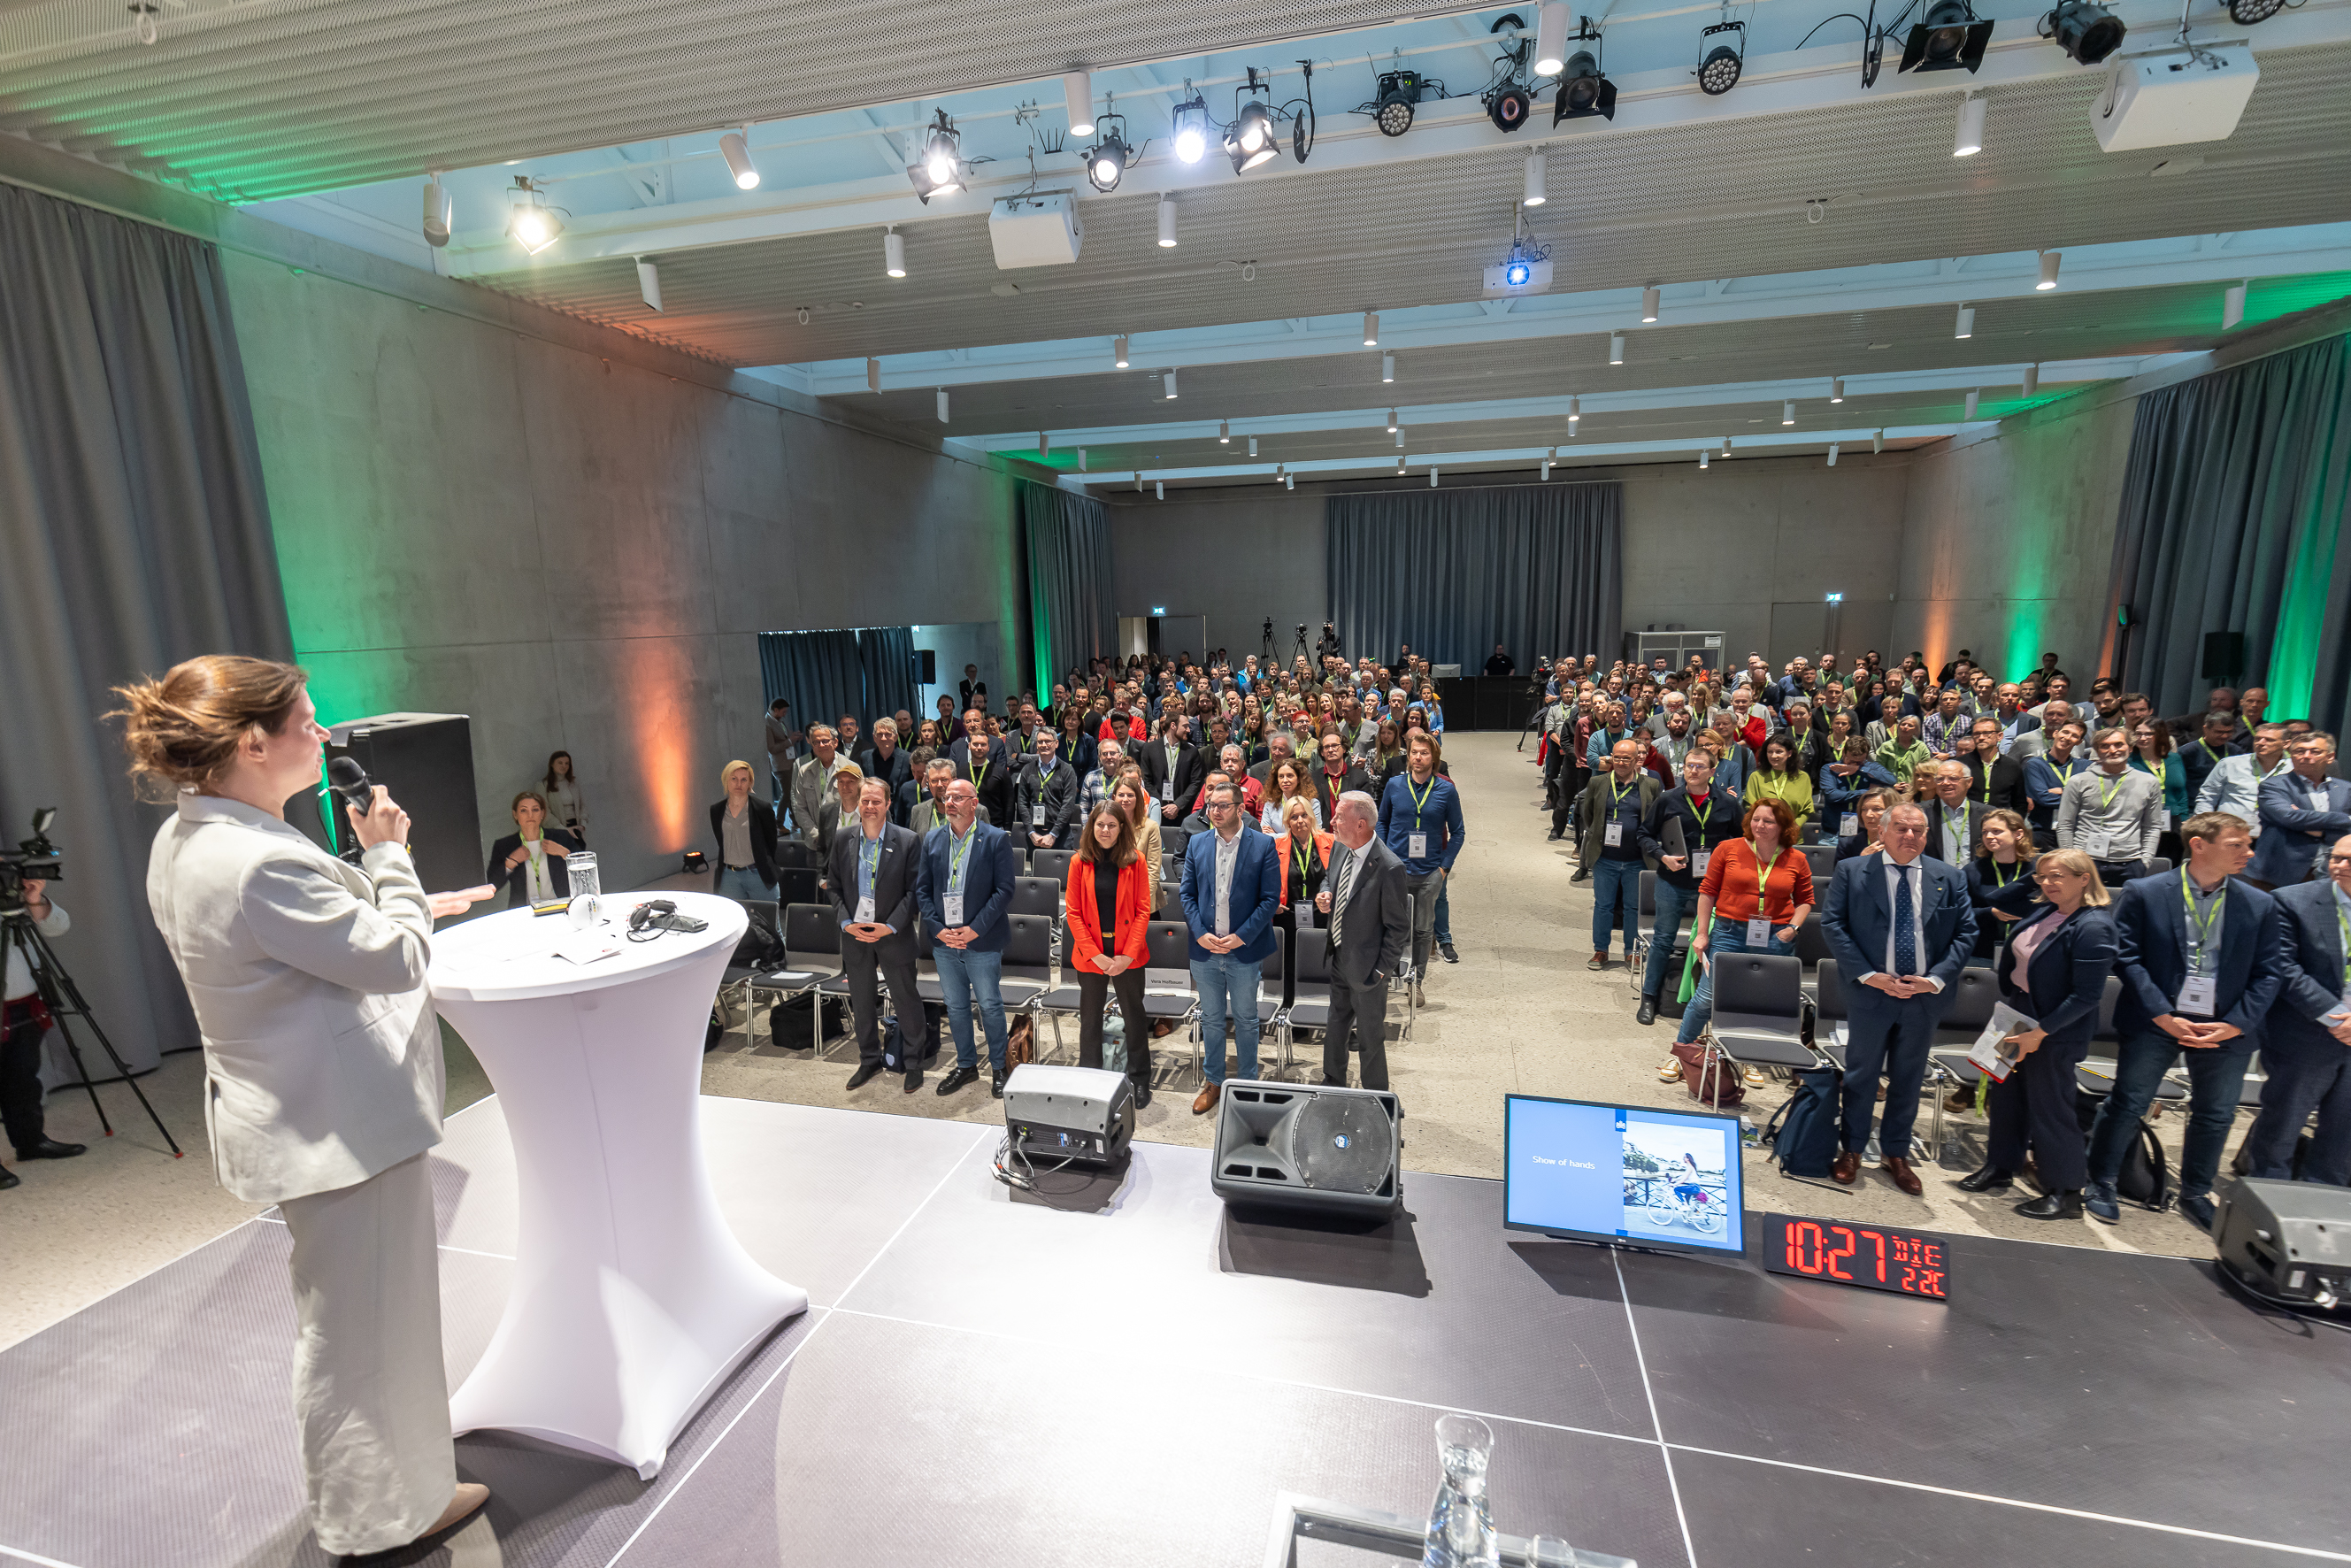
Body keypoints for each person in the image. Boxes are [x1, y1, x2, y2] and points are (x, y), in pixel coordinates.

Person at [118, 654, 494, 1556]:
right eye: (307, 721)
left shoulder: (195, 837)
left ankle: (406, 1489)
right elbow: (395, 958)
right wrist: (392, 856)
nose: (323, 735)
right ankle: (371, 1517)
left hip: (304, 1120)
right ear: (252, 741)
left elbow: (302, 937)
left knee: (369, 1322)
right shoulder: (252, 860)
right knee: (359, 1336)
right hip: (337, 1130)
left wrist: (398, 898)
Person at [2087, 811, 2284, 1229]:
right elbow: (2126, 956)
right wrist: (2162, 1013)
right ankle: (2100, 1179)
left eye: (2248, 844)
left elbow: (2271, 971)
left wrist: (2236, 1023)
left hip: (2225, 1026)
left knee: (2216, 1114)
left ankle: (2195, 1190)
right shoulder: (2146, 891)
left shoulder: (2261, 903)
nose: (2248, 853)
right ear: (2199, 845)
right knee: (2128, 1103)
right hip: (2155, 1019)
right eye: (2237, 844)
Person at [1820, 803, 1978, 1195]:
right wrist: (1871, 977)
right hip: (1871, 993)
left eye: (1919, 830)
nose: (1911, 836)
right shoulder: (1853, 871)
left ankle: (1896, 1153)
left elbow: (1966, 934)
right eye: (1902, 829)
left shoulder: (1949, 877)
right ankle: (1852, 1149)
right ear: (1883, 832)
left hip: (1924, 998)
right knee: (1861, 1075)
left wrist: (1935, 980)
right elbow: (1833, 925)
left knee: (1908, 1078)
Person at [1955, 849, 2118, 1218]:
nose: (2047, 883)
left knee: (2051, 1108)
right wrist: (2039, 876)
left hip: (2054, 1027)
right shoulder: (2046, 909)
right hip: (2017, 1011)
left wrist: (2040, 1032)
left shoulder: (2094, 926)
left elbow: (2087, 996)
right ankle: (2000, 1168)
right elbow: (1996, 899)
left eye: (2058, 876)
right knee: (2007, 1095)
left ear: (2084, 879)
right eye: (2043, 877)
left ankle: (2066, 1191)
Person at [1669, 798, 1815, 1071]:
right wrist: (1702, 933)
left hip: (1775, 937)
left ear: (1783, 825)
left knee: (1757, 1003)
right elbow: (1708, 892)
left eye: (1769, 821)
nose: (1760, 825)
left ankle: (1746, 1060)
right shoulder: (1729, 849)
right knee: (1706, 998)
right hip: (1729, 932)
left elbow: (1805, 900)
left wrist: (1793, 928)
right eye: (1756, 819)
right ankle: (1682, 1055)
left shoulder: (1797, 858)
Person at [2245, 834, 2351, 1187]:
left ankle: (2326, 1202)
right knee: (2283, 1125)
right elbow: (2283, 967)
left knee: (2344, 1132)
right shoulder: (2292, 901)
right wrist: (2336, 1017)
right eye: (2337, 858)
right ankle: (2269, 1198)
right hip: (2306, 1035)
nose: (2342, 866)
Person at [1180, 780, 1281, 1116]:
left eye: (1222, 805)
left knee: (1247, 1019)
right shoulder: (1197, 844)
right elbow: (1187, 895)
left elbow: (1270, 900)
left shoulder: (1263, 845)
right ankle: (1214, 1081)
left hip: (1243, 949)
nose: (1215, 811)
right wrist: (1199, 933)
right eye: (1211, 805)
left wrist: (1242, 936)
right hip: (1206, 950)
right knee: (1210, 1019)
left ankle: (1248, 1083)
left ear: (1240, 808)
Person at [917, 778, 1020, 1099]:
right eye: (946, 797)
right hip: (944, 941)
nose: (949, 802)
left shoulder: (994, 839)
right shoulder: (933, 839)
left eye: (957, 797)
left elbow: (1005, 890)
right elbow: (922, 891)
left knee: (989, 1005)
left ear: (973, 803)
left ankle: (1000, 1067)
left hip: (982, 940)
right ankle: (966, 1065)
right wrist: (938, 928)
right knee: (956, 1006)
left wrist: (974, 929)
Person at [1636, 748, 1743, 1027]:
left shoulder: (1728, 805)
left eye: (1699, 766)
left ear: (1712, 770)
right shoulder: (1668, 800)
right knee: (1662, 940)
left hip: (1711, 888)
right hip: (1673, 881)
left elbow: (1742, 843)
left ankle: (1704, 1001)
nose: (1692, 770)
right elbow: (1644, 834)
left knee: (1711, 942)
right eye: (1688, 765)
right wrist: (1662, 857)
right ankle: (1649, 997)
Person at [833, 777, 924, 1095]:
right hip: (855, 934)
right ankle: (869, 1059)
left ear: (887, 804)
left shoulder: (908, 840)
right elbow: (832, 885)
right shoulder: (843, 838)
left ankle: (913, 1063)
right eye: (865, 801)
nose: (870, 807)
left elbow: (915, 891)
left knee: (906, 1001)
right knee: (862, 1002)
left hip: (893, 934)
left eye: (876, 801)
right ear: (857, 803)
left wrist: (890, 926)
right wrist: (846, 922)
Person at [1315, 791, 1410, 1090]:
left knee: (1370, 1039)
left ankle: (1375, 1098)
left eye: (1339, 817)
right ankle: (1333, 1081)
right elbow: (1329, 877)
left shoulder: (1389, 867)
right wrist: (1326, 892)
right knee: (1336, 1026)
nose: (1332, 821)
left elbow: (1399, 929)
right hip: (1340, 956)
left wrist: (1381, 971)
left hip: (1369, 970)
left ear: (1360, 824)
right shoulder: (1342, 848)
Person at [1065, 803, 1156, 1107]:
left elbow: (1144, 910)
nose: (1105, 831)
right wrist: (1096, 957)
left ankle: (1140, 1079)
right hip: (1092, 955)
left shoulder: (1136, 861)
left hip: (1127, 955)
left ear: (1122, 828)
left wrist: (1126, 956)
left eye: (1112, 826)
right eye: (1100, 825)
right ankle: (1089, 1078)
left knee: (1134, 1018)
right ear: (1091, 827)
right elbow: (1074, 913)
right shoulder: (1079, 862)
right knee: (1090, 1020)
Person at [1, 875, 82, 1184]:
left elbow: (58, 927)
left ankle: (31, 1141)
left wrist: (34, 900)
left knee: (23, 1077)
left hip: (24, 999)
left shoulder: (10, 890)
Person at [1378, 731, 1464, 1000]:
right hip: (1395, 871)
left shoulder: (1446, 790)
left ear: (1434, 757)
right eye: (1414, 752)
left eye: (1424, 752)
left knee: (1424, 930)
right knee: (1391, 927)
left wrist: (1444, 869)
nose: (1418, 757)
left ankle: (1416, 981)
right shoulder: (1394, 785)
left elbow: (1458, 832)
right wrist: (1383, 857)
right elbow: (1381, 823)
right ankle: (1385, 978)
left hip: (1429, 873)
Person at [2055, 727, 2163, 888]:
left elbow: (2153, 826)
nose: (2112, 750)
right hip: (2086, 860)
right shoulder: (2078, 781)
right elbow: (2065, 825)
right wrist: (2072, 860)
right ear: (2097, 751)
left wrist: (2145, 860)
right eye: (2105, 746)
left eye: (2118, 744)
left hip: (2130, 862)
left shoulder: (2149, 782)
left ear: (2131, 748)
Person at [2250, 732, 2351, 889]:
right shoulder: (2274, 785)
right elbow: (2290, 817)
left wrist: (2318, 830)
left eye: (2315, 751)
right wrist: (2346, 820)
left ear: (2330, 757)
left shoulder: (2345, 788)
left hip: (2332, 872)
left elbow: (2297, 819)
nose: (2306, 756)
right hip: (2280, 872)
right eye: (2299, 751)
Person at [488, 789, 582, 909]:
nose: (530, 815)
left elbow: (585, 867)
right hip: (525, 911)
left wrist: (564, 853)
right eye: (523, 810)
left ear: (542, 813)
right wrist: (511, 862)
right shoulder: (505, 845)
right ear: (515, 815)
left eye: (535, 810)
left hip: (562, 906)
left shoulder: (561, 838)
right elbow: (492, 885)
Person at [1965, 808, 2036, 966]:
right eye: (1985, 832)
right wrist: (1990, 912)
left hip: (2030, 952)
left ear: (2018, 834)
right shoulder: (1972, 871)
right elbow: (1959, 913)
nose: (1989, 837)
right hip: (1982, 952)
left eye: (1996, 831)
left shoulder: (2038, 870)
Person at [2196, 721, 2291, 831]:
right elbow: (2207, 797)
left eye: (2269, 740)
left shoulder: (2294, 769)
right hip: (2228, 832)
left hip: (2274, 833)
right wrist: (2202, 827)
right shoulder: (2230, 764)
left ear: (2286, 744)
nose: (2260, 743)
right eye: (2257, 739)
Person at [710, 760, 781, 902]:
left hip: (758, 873)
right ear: (726, 781)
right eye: (734, 779)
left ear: (750, 783)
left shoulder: (762, 809)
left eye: (744, 780)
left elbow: (771, 842)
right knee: (734, 921)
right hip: (729, 876)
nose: (738, 784)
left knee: (767, 922)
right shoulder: (716, 810)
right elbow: (721, 840)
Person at [1012, 727, 1082, 852]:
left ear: (1056, 743)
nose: (1043, 745)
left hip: (1061, 836)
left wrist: (1053, 834)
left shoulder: (1067, 771)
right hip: (1034, 837)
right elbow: (1022, 803)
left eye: (1047, 741)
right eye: (1040, 742)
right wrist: (1031, 832)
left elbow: (1068, 805)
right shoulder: (1027, 770)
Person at [2021, 718, 2088, 845]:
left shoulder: (2085, 766)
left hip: (2076, 831)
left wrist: (2063, 791)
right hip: (2043, 832)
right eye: (2065, 732)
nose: (2068, 737)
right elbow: (2043, 798)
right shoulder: (2034, 765)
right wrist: (2077, 797)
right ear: (2055, 733)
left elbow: (2090, 798)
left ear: (2079, 742)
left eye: (2074, 736)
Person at [948, 709, 1014, 827]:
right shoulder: (960, 772)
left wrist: (1008, 829)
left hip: (994, 825)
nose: (979, 748)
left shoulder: (1000, 772)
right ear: (969, 746)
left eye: (983, 745)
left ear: (989, 747)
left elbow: (1008, 802)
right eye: (975, 744)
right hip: (965, 825)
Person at [1920, 760, 1989, 867]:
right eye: (1940, 779)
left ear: (1969, 782)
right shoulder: (1921, 812)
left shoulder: (1988, 814)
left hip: (1976, 878)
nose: (1946, 783)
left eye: (1953, 778)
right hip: (1938, 878)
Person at [1141, 711, 1203, 826]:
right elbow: (1146, 780)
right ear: (1173, 726)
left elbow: (1196, 782)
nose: (1188, 730)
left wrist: (1178, 805)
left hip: (1183, 812)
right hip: (1157, 810)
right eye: (1185, 726)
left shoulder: (1192, 751)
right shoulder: (1149, 748)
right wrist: (1161, 805)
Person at [1745, 734, 1814, 831]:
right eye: (1770, 752)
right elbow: (1751, 807)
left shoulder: (1803, 777)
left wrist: (1794, 827)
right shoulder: (1756, 777)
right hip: (1763, 833)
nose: (1774, 756)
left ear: (1789, 753)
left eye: (1779, 752)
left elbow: (1807, 810)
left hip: (1791, 835)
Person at [790, 724, 843, 849]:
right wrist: (815, 835)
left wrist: (839, 835)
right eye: (816, 742)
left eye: (825, 741)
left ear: (835, 742)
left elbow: (856, 808)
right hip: (815, 842)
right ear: (812, 745)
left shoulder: (851, 768)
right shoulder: (804, 770)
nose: (821, 745)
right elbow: (800, 807)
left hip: (843, 841)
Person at [1961, 718, 2027, 814]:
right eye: (1977, 734)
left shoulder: (2012, 766)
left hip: (2001, 822)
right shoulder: (1960, 764)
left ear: (1999, 736)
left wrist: (2013, 825)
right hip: (1967, 820)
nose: (1981, 737)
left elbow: (2020, 803)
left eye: (1987, 733)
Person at [1310, 728, 1371, 826]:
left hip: (1351, 835)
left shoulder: (1360, 777)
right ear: (1322, 752)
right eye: (1326, 747)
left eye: (1335, 746)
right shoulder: (1313, 779)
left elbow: (1366, 811)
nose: (1330, 750)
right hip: (1323, 836)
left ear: (1344, 749)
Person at [1260, 757, 1319, 837]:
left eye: (1290, 776)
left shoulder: (1312, 803)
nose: (1285, 780)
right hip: (1275, 849)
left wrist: (1276, 835)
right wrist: (1296, 835)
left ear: (1299, 779)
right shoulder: (1270, 803)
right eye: (1281, 776)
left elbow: (1315, 833)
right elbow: (1264, 835)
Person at [860, 718, 913, 803]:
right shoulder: (865, 757)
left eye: (888, 734)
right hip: (873, 809)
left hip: (899, 811)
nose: (883, 738)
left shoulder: (907, 759)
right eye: (880, 734)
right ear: (874, 737)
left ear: (896, 737)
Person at [541, 749, 588, 843]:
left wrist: (582, 825)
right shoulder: (543, 785)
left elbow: (583, 805)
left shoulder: (574, 783)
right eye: (560, 763)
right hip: (557, 829)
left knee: (579, 855)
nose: (564, 766)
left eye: (567, 763)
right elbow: (544, 812)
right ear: (552, 765)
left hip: (576, 828)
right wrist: (564, 829)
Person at [764, 697, 797, 808]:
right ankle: (779, 822)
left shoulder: (779, 721)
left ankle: (794, 821)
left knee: (792, 794)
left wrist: (794, 737)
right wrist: (789, 741)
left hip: (790, 761)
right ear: (776, 710)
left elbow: (785, 737)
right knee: (787, 794)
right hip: (780, 765)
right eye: (783, 712)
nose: (784, 714)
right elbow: (771, 749)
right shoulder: (767, 724)